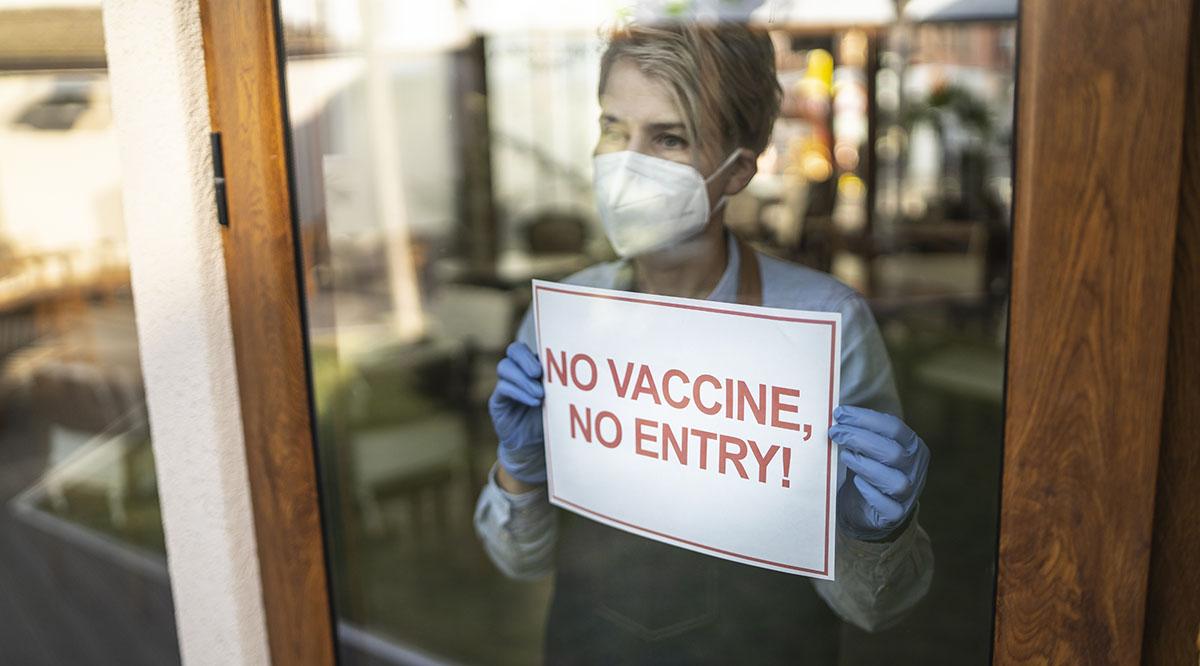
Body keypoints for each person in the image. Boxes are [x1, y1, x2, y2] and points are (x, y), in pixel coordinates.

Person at [474, 21, 932, 664]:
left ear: (737, 171)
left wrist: (874, 532)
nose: (624, 164)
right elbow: (520, 566)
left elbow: (875, 608)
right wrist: (518, 473)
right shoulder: (564, 319)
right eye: (613, 127)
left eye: (669, 138)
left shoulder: (823, 324)